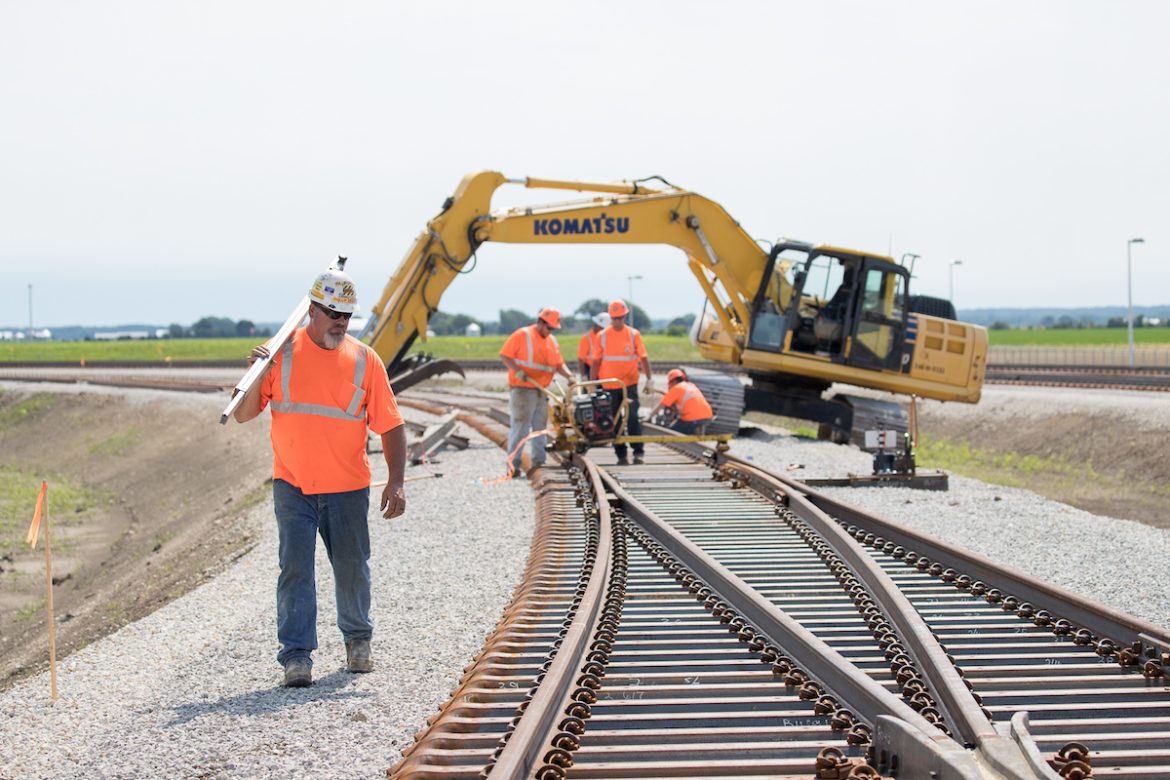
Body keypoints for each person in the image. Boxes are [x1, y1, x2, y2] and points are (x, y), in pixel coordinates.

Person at [233, 268, 407, 688]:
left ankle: (358, 642)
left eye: (346, 315)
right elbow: (242, 413)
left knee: (351, 567)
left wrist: (396, 481)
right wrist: (257, 373)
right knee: (294, 569)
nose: (340, 322)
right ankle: (296, 658)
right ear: (312, 310)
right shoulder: (281, 354)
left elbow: (391, 425)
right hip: (292, 485)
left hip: (346, 487)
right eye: (332, 313)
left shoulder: (366, 360)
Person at [499, 307, 573, 475]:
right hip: (523, 390)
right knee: (521, 426)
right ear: (540, 322)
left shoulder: (552, 341)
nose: (550, 331)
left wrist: (569, 376)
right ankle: (513, 465)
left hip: (541, 390)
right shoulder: (522, 335)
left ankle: (539, 463)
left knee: (540, 427)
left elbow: (558, 364)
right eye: (549, 328)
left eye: (553, 329)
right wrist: (518, 371)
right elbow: (505, 355)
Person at [592, 299, 652, 465]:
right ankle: (621, 455)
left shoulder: (634, 335)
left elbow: (644, 358)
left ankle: (638, 452)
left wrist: (649, 379)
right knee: (615, 421)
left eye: (621, 318)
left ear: (625, 316)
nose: (618, 321)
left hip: (629, 385)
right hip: (609, 386)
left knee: (632, 417)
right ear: (611, 318)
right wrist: (590, 383)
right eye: (615, 318)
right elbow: (596, 361)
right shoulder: (602, 336)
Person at [650, 368, 714, 435]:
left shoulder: (676, 388)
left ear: (672, 381)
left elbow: (661, 405)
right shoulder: (690, 385)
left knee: (671, 434)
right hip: (707, 416)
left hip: (692, 419)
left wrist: (649, 416)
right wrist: (658, 390)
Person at [577, 312, 610, 379]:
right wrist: (583, 377)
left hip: (604, 371)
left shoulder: (607, 337)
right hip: (589, 370)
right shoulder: (586, 339)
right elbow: (581, 360)